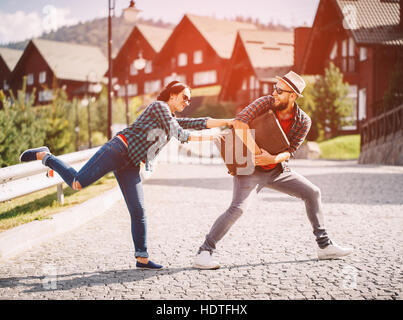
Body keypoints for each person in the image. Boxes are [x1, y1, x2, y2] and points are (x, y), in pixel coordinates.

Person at [20, 81, 232, 270]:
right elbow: (181, 135)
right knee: (76, 183)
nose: (187, 102)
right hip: (117, 151)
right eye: (185, 97)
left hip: (130, 164)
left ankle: (142, 258)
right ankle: (46, 155)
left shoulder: (171, 118)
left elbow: (200, 122)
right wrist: (215, 137)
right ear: (172, 95)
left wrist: (230, 121)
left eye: (189, 99)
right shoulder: (159, 107)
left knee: (138, 210)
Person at [193, 71, 353, 270]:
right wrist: (258, 153)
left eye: (279, 90)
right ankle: (204, 252)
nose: (274, 93)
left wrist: (272, 159)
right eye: (274, 88)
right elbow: (240, 123)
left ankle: (324, 246)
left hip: (277, 170)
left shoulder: (303, 121)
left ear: (292, 96)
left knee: (312, 192)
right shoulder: (265, 103)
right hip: (250, 168)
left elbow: (290, 151)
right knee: (238, 208)